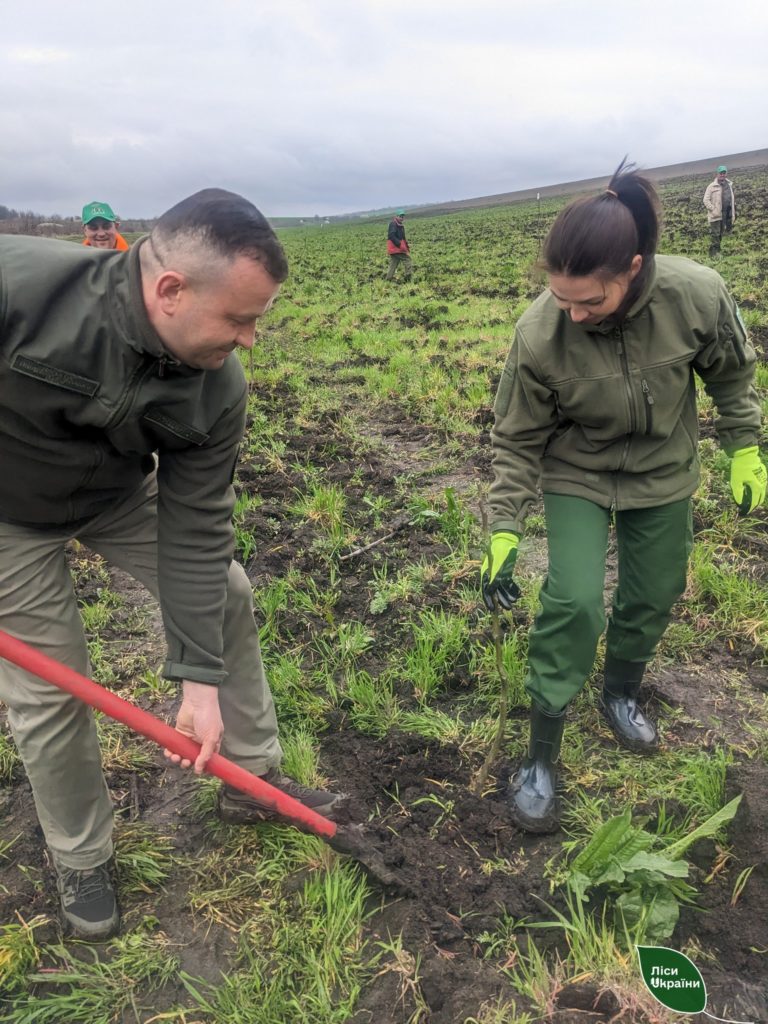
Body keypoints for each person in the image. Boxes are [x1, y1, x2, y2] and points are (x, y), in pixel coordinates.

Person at [0, 188, 345, 940]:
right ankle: (80, 856)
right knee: (51, 684)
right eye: (240, 318)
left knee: (225, 591)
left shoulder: (217, 388)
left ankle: (250, 778)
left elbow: (195, 525)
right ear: (170, 290)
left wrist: (199, 675)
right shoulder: (20, 290)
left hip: (112, 494)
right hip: (7, 515)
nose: (251, 339)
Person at [481, 160, 765, 834]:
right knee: (574, 600)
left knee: (654, 589)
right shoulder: (539, 334)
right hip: (578, 472)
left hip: (664, 468)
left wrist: (746, 447)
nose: (573, 314)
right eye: (562, 298)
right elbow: (517, 439)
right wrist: (503, 529)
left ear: (633, 268)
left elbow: (730, 374)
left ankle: (620, 694)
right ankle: (541, 755)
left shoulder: (697, 295)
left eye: (590, 301)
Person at [703, 166, 736, 257]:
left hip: (725, 214)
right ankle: (713, 253)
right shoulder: (711, 186)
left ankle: (717, 250)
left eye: (724, 173)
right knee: (715, 234)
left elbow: (731, 199)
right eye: (720, 173)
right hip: (715, 215)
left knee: (721, 233)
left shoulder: (729, 185)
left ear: (726, 174)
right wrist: (713, 210)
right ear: (717, 174)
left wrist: (732, 212)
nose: (722, 175)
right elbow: (705, 200)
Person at [386, 208, 413, 280]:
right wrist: (399, 244)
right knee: (407, 259)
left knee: (393, 264)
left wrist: (406, 245)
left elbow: (403, 238)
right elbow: (391, 235)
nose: (402, 218)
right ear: (396, 216)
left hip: (394, 248)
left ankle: (388, 279)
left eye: (403, 216)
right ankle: (408, 277)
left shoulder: (400, 225)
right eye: (400, 216)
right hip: (395, 248)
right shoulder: (393, 224)